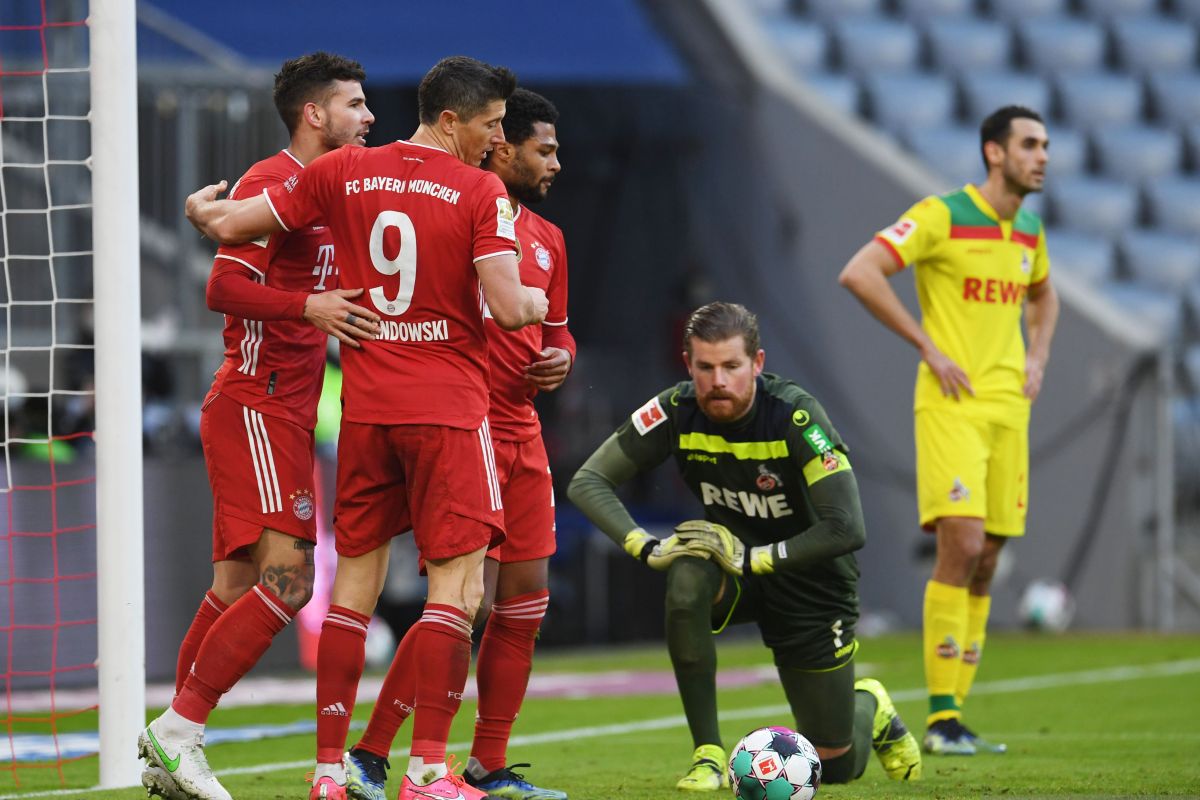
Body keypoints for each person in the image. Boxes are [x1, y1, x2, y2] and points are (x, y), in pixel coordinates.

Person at [174, 56, 548, 800]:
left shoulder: (342, 176)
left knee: (339, 590)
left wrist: (199, 210)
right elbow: (510, 310)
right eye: (491, 127)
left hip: (365, 413)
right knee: (455, 589)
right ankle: (429, 771)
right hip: (435, 407)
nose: (497, 143)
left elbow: (223, 225)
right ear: (451, 120)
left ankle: (323, 771)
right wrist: (539, 300)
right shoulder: (479, 192)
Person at [138, 52, 379, 800]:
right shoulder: (275, 185)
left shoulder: (328, 188)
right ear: (315, 114)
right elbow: (222, 286)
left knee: (235, 586)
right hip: (256, 401)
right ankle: (178, 732)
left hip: (282, 410)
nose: (368, 116)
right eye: (355, 104)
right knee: (288, 580)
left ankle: (168, 752)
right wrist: (309, 308)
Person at [567, 302, 922, 792]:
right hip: (733, 574)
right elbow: (588, 481)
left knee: (834, 768)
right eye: (705, 367)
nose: (718, 381)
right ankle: (707, 755)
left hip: (810, 583)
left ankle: (871, 706)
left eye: (731, 367)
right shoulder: (675, 410)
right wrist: (646, 547)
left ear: (756, 363)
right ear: (688, 364)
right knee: (687, 574)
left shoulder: (795, 417)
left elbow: (847, 528)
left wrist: (756, 557)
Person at [342, 88, 574, 800]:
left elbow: (557, 330)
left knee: (525, 598)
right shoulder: (449, 208)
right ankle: (374, 753)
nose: (556, 163)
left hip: (522, 433)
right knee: (460, 597)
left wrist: (563, 357)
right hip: (458, 421)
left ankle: (487, 763)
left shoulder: (547, 239)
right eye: (543, 148)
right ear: (498, 146)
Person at [837, 105, 1060, 756]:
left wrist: (1039, 354)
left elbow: (1044, 296)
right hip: (952, 407)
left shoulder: (1030, 233)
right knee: (960, 546)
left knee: (988, 559)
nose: (1042, 155)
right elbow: (860, 271)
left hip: (1007, 414)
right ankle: (937, 720)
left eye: (1045, 145)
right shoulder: (942, 215)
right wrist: (927, 346)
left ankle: (955, 716)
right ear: (995, 152)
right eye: (1029, 144)